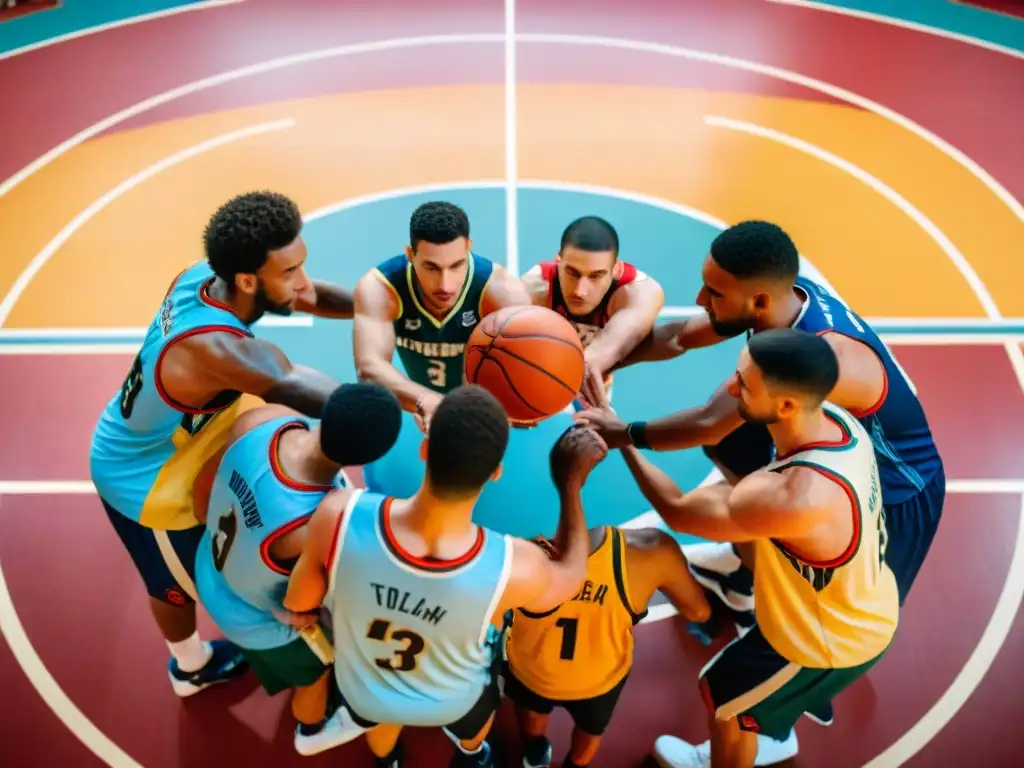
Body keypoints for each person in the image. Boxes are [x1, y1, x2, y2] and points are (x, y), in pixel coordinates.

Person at [587, 220, 944, 611]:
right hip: (819, 426)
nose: (701, 299)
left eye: (715, 293)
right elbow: (678, 336)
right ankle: (746, 569)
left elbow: (708, 422)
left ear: (758, 302)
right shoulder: (784, 300)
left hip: (895, 484)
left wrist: (620, 433)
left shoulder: (812, 356)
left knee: (847, 606)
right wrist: (602, 358)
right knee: (734, 442)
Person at [89, 190, 355, 697]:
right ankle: (189, 665)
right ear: (249, 280)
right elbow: (304, 387)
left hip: (196, 433)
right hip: (145, 480)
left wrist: (379, 305)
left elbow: (306, 295)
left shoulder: (209, 277)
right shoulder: (214, 349)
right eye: (289, 271)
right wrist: (417, 405)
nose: (302, 281)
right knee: (176, 586)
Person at [602, 329, 899, 768]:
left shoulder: (789, 496)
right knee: (745, 695)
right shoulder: (838, 421)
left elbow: (679, 512)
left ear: (785, 406)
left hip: (825, 641)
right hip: (857, 600)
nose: (729, 387)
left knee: (723, 698)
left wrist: (620, 438)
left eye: (743, 383)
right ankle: (773, 729)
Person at [282, 386, 609, 768]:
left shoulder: (340, 514)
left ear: (424, 450)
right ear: (495, 473)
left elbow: (299, 605)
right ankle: (472, 755)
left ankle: (387, 761)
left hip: (366, 689)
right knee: (477, 719)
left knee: (379, 721)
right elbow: (570, 576)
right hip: (452, 700)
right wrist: (570, 485)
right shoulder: (512, 565)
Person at [191, 383, 402, 755]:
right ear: (366, 458)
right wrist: (282, 613)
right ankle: (310, 730)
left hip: (209, 569)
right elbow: (300, 611)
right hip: (256, 621)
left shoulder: (266, 420)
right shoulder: (316, 523)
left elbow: (203, 487)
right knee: (317, 673)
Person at [503, 525, 711, 768]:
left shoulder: (510, 554)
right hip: (600, 678)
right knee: (590, 734)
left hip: (533, 671)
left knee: (531, 718)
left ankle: (534, 755)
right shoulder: (651, 549)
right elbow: (698, 611)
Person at [353, 200, 531, 433]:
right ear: (410, 254)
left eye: (457, 265)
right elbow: (369, 368)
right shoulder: (382, 287)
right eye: (432, 268)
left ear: (468, 247)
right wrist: (425, 400)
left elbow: (523, 365)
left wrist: (486, 405)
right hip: (416, 397)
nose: (445, 285)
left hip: (476, 396)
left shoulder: (501, 292)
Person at [522, 215, 664, 400]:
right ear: (558, 261)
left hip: (592, 370)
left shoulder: (639, 293)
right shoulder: (534, 287)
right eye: (572, 273)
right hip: (548, 356)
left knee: (595, 417)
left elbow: (603, 354)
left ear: (615, 270)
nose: (581, 291)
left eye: (595, 276)